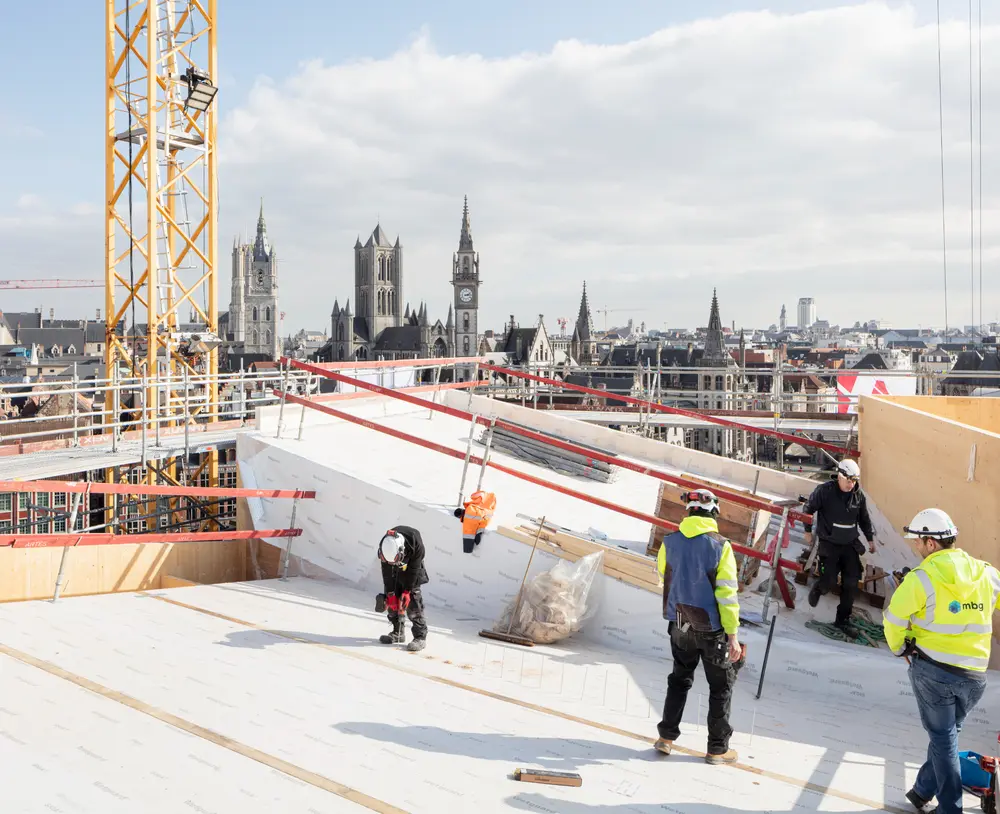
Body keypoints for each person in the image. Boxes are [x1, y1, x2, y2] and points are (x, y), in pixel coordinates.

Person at [883, 508, 1000, 814]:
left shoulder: (922, 578)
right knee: (947, 735)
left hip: (934, 673)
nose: (916, 547)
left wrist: (900, 649)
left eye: (918, 542)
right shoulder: (985, 573)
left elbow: (893, 620)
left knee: (944, 738)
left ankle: (950, 809)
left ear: (931, 543)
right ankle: (922, 790)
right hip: (975, 676)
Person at [655, 488, 742, 765]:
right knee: (721, 687)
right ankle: (717, 749)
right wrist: (733, 635)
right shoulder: (721, 546)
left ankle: (665, 738)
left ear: (689, 512)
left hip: (680, 623)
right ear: (714, 513)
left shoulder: (670, 541)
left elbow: (662, 573)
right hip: (712, 630)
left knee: (679, 679)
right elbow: (727, 595)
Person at [804, 458, 879, 639]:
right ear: (840, 475)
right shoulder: (824, 491)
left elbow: (864, 519)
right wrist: (807, 531)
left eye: (854, 481)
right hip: (829, 543)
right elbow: (808, 509)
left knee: (851, 583)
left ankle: (842, 620)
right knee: (829, 580)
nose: (851, 484)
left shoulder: (858, 496)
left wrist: (869, 539)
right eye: (848, 480)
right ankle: (819, 588)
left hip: (849, 544)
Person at [377, 525, 429, 652]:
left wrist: (407, 591)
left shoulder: (415, 542)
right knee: (392, 600)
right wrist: (390, 593)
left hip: (411, 567)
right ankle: (398, 632)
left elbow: (413, 570)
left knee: (413, 601)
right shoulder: (386, 545)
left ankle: (420, 637)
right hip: (393, 568)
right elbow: (386, 571)